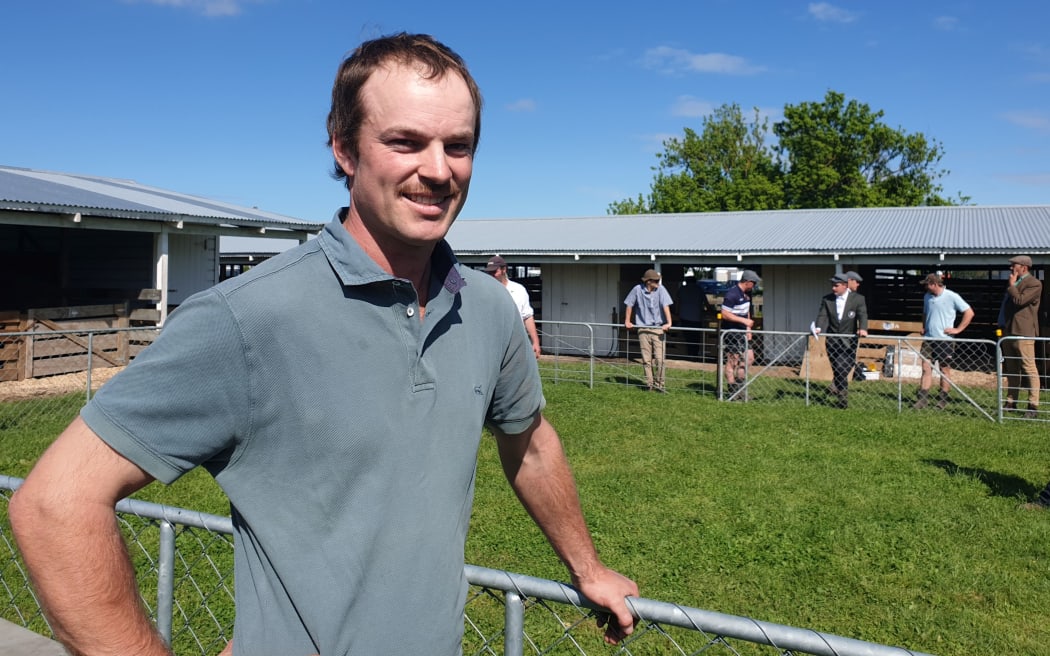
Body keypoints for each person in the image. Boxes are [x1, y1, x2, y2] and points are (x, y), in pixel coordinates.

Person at [9, 33, 637, 656]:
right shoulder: (247, 318)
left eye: (458, 145)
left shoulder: (488, 306)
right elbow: (54, 505)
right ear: (344, 148)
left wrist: (588, 568)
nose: (438, 170)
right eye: (405, 142)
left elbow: (530, 443)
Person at [913, 273, 974, 410]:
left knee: (944, 369)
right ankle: (923, 399)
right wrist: (924, 326)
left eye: (927, 285)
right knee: (925, 367)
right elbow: (925, 313)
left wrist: (958, 329)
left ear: (934, 284)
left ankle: (942, 399)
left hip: (945, 339)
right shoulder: (927, 297)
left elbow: (969, 312)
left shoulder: (951, 296)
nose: (925, 287)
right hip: (929, 338)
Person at [813, 273, 869, 408]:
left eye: (836, 285)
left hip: (849, 340)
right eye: (832, 285)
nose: (833, 288)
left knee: (842, 367)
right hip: (832, 340)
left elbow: (862, 314)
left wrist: (863, 328)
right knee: (837, 369)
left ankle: (842, 396)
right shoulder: (827, 299)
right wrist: (818, 327)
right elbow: (822, 315)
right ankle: (841, 395)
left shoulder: (858, 299)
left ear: (844, 286)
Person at [998, 255, 1042, 419]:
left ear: (1024, 267)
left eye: (1014, 265)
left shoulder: (1034, 283)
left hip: (1024, 332)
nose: (1011, 268)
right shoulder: (1015, 282)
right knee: (1012, 369)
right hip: (1009, 331)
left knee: (1029, 368)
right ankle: (1011, 402)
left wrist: (1011, 286)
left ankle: (1033, 406)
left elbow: (1020, 300)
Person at [623, 269, 673, 392]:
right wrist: (627, 321)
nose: (658, 282)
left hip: (658, 328)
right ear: (648, 281)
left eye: (658, 280)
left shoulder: (661, 289)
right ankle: (649, 385)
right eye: (656, 280)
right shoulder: (637, 289)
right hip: (643, 329)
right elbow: (629, 304)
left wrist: (669, 323)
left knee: (660, 360)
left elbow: (666, 306)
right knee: (646, 360)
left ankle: (660, 385)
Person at [485, 254, 541, 358]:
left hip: (516, 342)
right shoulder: (485, 292)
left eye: (494, 272)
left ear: (504, 270)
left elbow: (527, 316)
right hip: (492, 342)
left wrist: (535, 342)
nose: (492, 275)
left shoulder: (519, 290)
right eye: (489, 272)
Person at [720, 270, 761, 398]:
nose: (754, 286)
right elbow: (724, 314)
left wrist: (748, 328)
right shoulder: (732, 294)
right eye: (754, 283)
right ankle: (732, 390)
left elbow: (747, 311)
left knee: (749, 358)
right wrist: (743, 321)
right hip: (732, 332)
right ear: (747, 282)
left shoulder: (747, 294)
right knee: (733, 361)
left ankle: (739, 388)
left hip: (743, 332)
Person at [673, 271, 713, 358]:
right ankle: (694, 355)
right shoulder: (699, 290)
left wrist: (676, 313)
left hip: (684, 317)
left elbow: (677, 303)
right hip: (696, 318)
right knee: (695, 339)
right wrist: (711, 312)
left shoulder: (682, 289)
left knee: (686, 338)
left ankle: (687, 355)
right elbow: (706, 303)